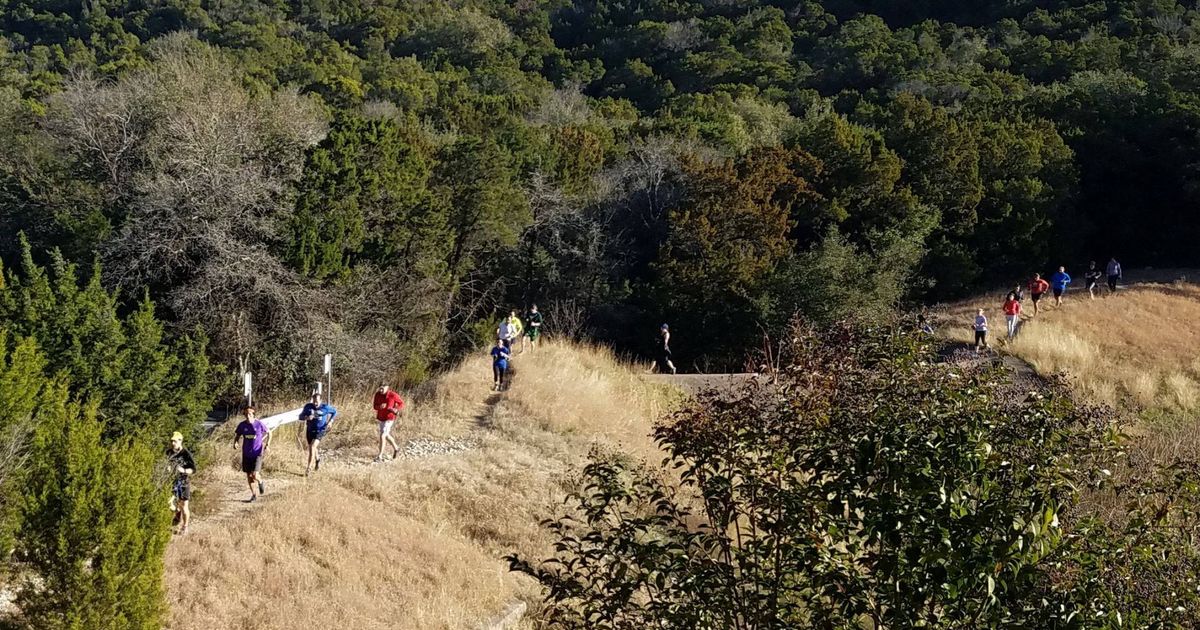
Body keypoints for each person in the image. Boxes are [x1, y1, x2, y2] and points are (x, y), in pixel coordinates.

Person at [234, 407, 270, 503]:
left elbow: (269, 432)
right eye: (246, 414)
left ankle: (261, 482)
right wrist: (235, 442)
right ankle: (254, 495)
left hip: (257, 453)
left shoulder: (259, 424)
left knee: (254, 474)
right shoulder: (242, 425)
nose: (247, 416)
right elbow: (237, 435)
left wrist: (267, 444)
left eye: (250, 414)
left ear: (254, 415)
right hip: (246, 453)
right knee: (249, 476)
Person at [299, 393, 337, 476]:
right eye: (314, 401)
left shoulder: (325, 407)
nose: (315, 403)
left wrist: (330, 421)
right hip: (309, 430)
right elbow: (300, 417)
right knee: (312, 448)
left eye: (317, 401)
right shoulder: (308, 407)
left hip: (320, 430)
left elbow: (335, 412)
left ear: (320, 400)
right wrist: (306, 417)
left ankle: (308, 468)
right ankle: (317, 460)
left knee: (312, 446)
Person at [166, 431, 196, 535]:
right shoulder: (169, 452)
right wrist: (168, 468)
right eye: (172, 441)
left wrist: (183, 470)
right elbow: (166, 462)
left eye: (175, 441)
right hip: (171, 481)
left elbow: (193, 469)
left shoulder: (186, 453)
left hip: (183, 482)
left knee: (184, 506)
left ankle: (185, 526)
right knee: (168, 502)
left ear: (180, 441)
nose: (173, 443)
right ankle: (177, 512)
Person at [372, 383, 404, 462]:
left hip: (389, 418)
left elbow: (401, 403)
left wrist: (395, 409)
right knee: (386, 435)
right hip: (381, 417)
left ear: (387, 388)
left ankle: (380, 456)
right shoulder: (377, 395)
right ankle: (396, 448)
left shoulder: (392, 395)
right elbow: (374, 406)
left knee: (382, 435)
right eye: (380, 388)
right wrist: (379, 407)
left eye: (383, 388)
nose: (381, 390)